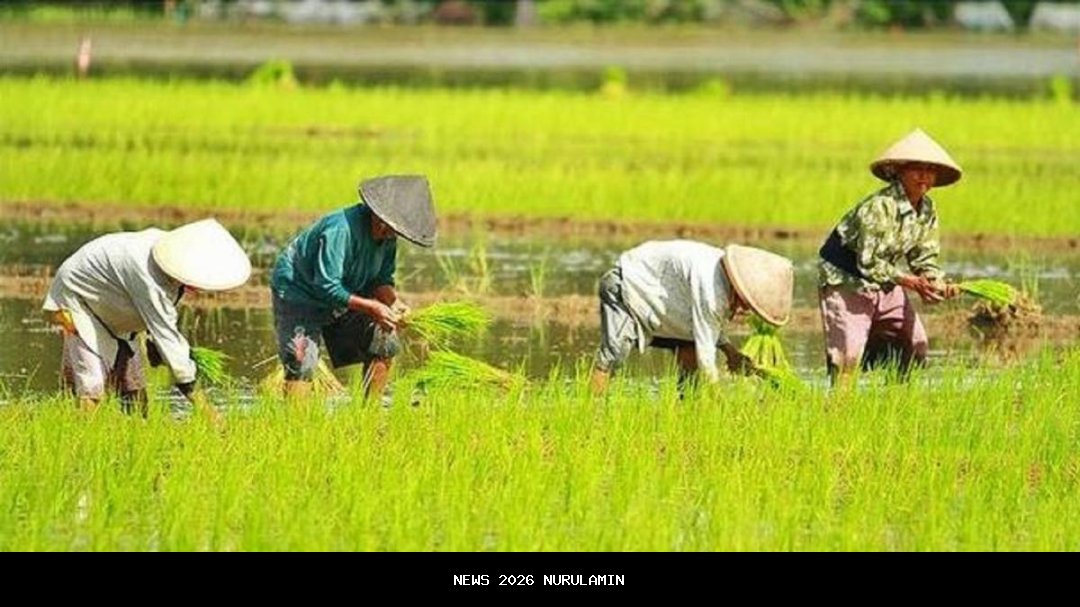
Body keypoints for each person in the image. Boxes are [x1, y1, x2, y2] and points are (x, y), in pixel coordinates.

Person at [42, 218, 252, 418]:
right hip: (78, 299)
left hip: (114, 304)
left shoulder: (172, 257)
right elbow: (168, 336)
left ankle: (137, 432)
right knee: (93, 383)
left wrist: (153, 340)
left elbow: (160, 320)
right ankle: (80, 440)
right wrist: (204, 407)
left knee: (133, 387)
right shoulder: (149, 276)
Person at [270, 174, 437, 401]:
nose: (391, 235)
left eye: (396, 232)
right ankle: (297, 427)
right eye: (388, 227)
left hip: (345, 291)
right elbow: (326, 286)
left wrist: (393, 302)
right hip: (300, 292)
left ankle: (368, 417)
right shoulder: (340, 230)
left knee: (384, 336)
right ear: (378, 216)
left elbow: (380, 279)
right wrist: (372, 307)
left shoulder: (388, 239)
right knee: (302, 359)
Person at [818, 128, 962, 385]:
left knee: (915, 345)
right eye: (917, 169)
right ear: (899, 172)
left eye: (930, 170)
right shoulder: (878, 207)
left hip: (886, 282)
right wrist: (912, 283)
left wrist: (935, 282)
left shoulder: (927, 209)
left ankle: (896, 404)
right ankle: (838, 414)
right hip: (847, 281)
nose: (924, 176)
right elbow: (869, 262)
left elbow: (923, 257)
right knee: (847, 358)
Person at [590, 240, 794, 395]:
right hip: (628, 284)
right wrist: (718, 402)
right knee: (612, 356)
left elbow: (707, 325)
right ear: (741, 290)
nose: (745, 311)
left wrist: (730, 352)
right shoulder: (712, 289)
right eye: (747, 305)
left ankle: (685, 408)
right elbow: (706, 358)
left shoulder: (722, 279)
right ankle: (592, 412)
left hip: (662, 300)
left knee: (689, 347)